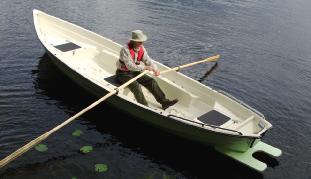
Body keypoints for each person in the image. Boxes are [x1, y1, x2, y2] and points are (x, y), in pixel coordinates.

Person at [116, 30, 178, 110]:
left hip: (134, 72)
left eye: (142, 42)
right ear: (133, 41)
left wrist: (155, 69)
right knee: (136, 85)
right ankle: (144, 107)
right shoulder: (125, 50)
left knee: (151, 81)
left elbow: (148, 60)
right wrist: (144, 68)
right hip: (123, 74)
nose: (141, 44)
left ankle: (164, 102)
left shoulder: (141, 48)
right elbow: (130, 66)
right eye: (139, 42)